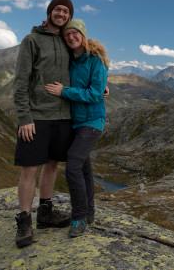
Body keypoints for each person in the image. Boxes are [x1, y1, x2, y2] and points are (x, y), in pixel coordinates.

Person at [13, 0, 74, 248]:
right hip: (37, 117)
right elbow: (21, 81)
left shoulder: (69, 40)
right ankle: (25, 219)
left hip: (64, 116)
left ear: (69, 16)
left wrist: (100, 88)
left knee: (52, 165)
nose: (61, 14)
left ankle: (46, 213)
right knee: (30, 169)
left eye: (65, 11)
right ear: (50, 12)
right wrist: (24, 117)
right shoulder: (32, 41)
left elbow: (84, 68)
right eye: (57, 10)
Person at [44, 19, 109, 238]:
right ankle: (89, 213)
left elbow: (94, 94)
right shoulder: (71, 60)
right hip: (75, 122)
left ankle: (79, 217)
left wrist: (65, 92)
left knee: (72, 165)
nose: (71, 37)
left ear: (83, 35)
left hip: (92, 122)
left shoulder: (95, 60)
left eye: (75, 33)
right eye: (67, 34)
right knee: (83, 169)